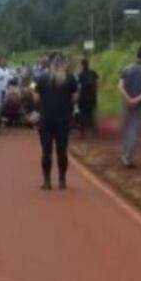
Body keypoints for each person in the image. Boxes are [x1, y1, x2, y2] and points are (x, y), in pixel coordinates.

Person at [34, 53, 79, 190]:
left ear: (50, 63)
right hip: (63, 120)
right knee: (62, 150)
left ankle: (47, 182)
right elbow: (75, 99)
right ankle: (62, 181)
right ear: (63, 63)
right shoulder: (70, 79)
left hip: (46, 119)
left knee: (46, 151)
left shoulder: (42, 78)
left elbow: (36, 99)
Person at [118, 44, 141, 168]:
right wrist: (137, 99)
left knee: (126, 128)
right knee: (134, 130)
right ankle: (127, 156)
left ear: (136, 54)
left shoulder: (127, 69)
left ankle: (124, 153)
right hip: (140, 105)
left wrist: (128, 98)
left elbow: (120, 86)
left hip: (126, 104)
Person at [77, 58, 100, 137]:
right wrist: (95, 93)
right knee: (91, 112)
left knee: (82, 113)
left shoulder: (80, 74)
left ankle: (82, 131)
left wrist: (78, 96)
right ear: (88, 64)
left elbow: (79, 87)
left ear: (82, 65)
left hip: (83, 96)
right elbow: (97, 84)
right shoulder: (93, 73)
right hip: (92, 96)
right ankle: (92, 130)